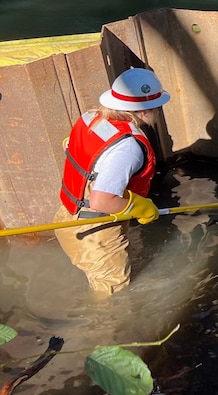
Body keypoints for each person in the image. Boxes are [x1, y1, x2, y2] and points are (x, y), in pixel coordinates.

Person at [55, 67, 171, 294]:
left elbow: (70, 145)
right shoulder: (128, 147)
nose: (159, 111)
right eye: (158, 107)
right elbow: (101, 200)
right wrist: (142, 208)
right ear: (144, 111)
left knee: (101, 283)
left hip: (68, 218)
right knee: (113, 297)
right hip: (94, 233)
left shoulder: (90, 117)